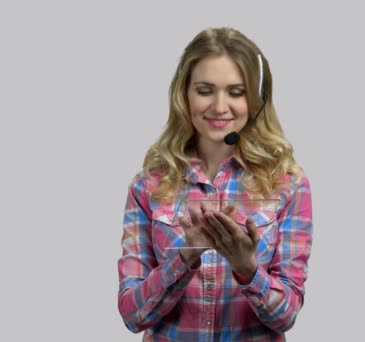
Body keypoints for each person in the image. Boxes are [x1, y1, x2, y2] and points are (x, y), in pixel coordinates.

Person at [117, 27, 313, 341]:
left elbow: (286, 316)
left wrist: (247, 268)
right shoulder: (148, 186)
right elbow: (132, 314)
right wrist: (185, 257)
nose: (219, 107)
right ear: (184, 95)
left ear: (257, 100)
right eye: (205, 90)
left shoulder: (288, 185)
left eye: (236, 92)